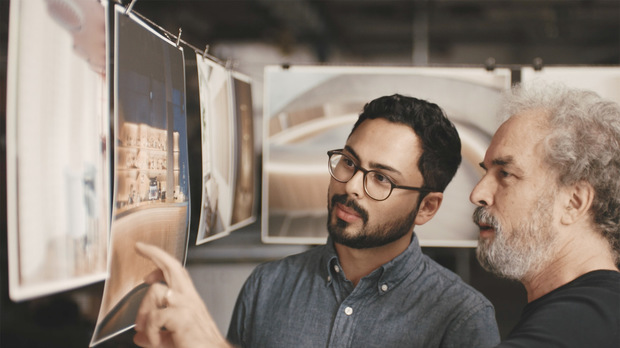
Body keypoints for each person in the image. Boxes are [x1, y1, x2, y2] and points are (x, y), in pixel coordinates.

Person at [133, 94, 501, 348]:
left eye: (381, 179)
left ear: (427, 208)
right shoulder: (267, 285)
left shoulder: (462, 317)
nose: (352, 186)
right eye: (349, 162)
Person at [470, 80, 620, 348]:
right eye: (486, 172)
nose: (478, 193)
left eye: (505, 174)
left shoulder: (587, 319)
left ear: (574, 202)